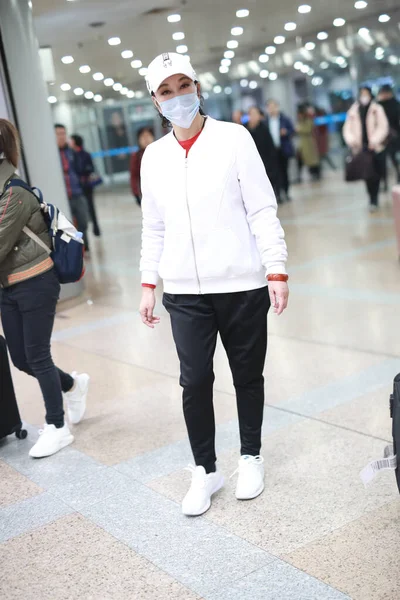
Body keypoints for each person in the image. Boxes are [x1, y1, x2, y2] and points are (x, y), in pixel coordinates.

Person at [139, 52, 289, 517]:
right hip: (183, 291)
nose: (178, 97)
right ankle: (205, 469)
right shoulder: (154, 156)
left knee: (247, 375)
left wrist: (275, 268)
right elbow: (154, 227)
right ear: (155, 101)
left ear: (198, 87)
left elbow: (262, 208)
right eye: (166, 91)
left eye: (184, 85)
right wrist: (149, 282)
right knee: (195, 380)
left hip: (242, 285)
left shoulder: (234, 138)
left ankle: (250, 457)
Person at [0, 119, 90, 458]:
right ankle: (72, 384)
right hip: (8, 287)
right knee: (21, 358)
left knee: (37, 355)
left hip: (36, 282)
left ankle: (57, 427)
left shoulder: (14, 193)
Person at [343, 87, 389, 212]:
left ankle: (375, 196)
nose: (364, 96)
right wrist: (352, 141)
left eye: (366, 94)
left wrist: (374, 141)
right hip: (361, 149)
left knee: (377, 174)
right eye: (362, 94)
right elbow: (347, 129)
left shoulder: (377, 109)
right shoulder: (353, 111)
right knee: (368, 175)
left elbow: (383, 126)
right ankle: (372, 199)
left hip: (376, 148)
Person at [54, 124, 90, 250]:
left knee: (83, 221)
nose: (61, 137)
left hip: (77, 192)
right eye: (58, 134)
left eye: (63, 133)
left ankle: (83, 245)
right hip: (63, 195)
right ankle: (74, 249)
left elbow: (81, 169)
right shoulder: (52, 155)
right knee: (67, 224)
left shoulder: (72, 152)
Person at [70, 134, 101, 237]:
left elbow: (90, 168)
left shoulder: (84, 154)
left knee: (91, 208)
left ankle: (96, 229)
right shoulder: (72, 155)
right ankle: (85, 236)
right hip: (78, 187)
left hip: (87, 186)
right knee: (81, 213)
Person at [247, 106, 280, 202]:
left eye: (255, 114)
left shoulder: (264, 129)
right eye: (251, 114)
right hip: (251, 163)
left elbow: (270, 148)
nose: (253, 116)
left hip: (266, 161)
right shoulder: (244, 129)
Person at [265, 99, 295, 201]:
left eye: (273, 106)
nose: (272, 109)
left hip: (283, 149)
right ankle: (277, 194)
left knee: (284, 172)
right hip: (271, 152)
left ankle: (286, 192)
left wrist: (286, 132)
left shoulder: (284, 119)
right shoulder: (266, 121)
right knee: (274, 173)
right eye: (269, 107)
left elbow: (292, 130)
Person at [378, 85, 400, 186]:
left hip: (395, 137)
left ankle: (398, 177)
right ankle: (385, 182)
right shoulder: (378, 107)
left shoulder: (396, 104)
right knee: (382, 162)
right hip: (381, 138)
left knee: (394, 158)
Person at [130, 126, 155, 206]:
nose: (146, 139)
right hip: (145, 192)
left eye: (148, 136)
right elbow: (134, 176)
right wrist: (136, 193)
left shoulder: (159, 152)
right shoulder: (136, 156)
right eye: (143, 137)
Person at [295, 104, 321, 181]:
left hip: (309, 143)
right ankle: (302, 176)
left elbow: (307, 129)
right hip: (302, 144)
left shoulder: (309, 120)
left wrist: (299, 129)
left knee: (312, 160)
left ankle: (315, 174)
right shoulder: (300, 122)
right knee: (302, 160)